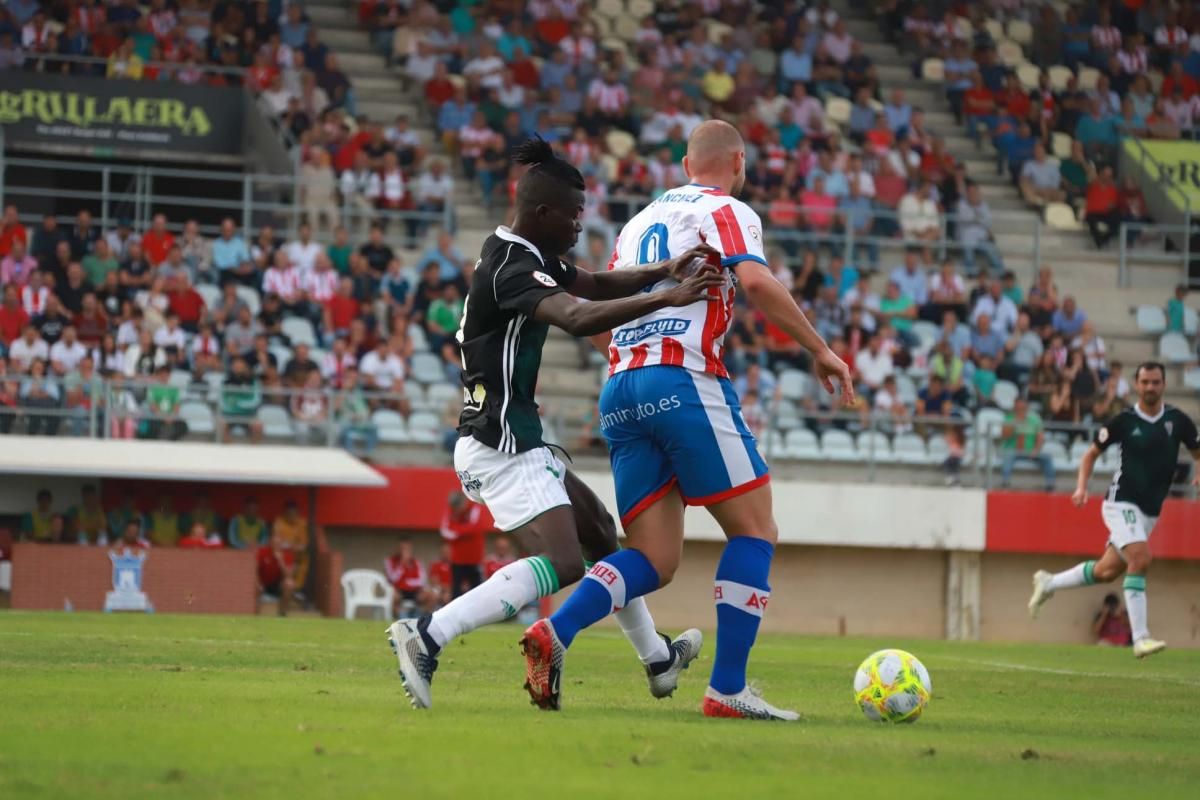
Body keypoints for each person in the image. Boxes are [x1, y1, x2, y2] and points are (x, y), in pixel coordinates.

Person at [522, 121, 855, 720]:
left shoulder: (637, 225)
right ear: (739, 160)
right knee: (755, 530)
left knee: (654, 559)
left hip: (622, 388)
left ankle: (556, 632)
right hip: (685, 379)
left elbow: (601, 312)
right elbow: (753, 280)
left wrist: (633, 365)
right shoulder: (726, 207)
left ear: (683, 162)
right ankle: (728, 689)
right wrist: (819, 348)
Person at [386, 137, 720, 711]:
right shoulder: (508, 267)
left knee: (599, 532)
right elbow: (576, 315)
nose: (579, 224)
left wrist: (664, 269)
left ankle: (658, 659)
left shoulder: (528, 254)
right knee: (567, 563)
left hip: (515, 437)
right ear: (542, 213)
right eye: (573, 214)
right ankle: (427, 633)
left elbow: (592, 284)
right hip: (500, 442)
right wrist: (670, 299)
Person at [1029, 363, 1200, 659]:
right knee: (1141, 557)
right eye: (1145, 382)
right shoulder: (1123, 421)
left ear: (1163, 384)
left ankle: (1049, 582)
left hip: (1149, 512)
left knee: (1106, 571)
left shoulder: (1178, 421)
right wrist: (1082, 488)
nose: (1150, 387)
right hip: (1120, 503)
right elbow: (1090, 454)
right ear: (1136, 385)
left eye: (1155, 382)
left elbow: (1198, 451)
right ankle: (1141, 638)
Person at [439, 491, 491, 598]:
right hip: (457, 560)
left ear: (463, 503)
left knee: (477, 590)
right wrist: (463, 532)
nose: (456, 512)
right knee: (456, 591)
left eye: (457, 509)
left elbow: (474, 527)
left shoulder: (474, 507)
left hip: (474, 559)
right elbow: (444, 531)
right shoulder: (451, 509)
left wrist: (456, 530)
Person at [998, 396, 1056, 492]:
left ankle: (1050, 484)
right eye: (1018, 407)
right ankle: (1005, 483)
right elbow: (1005, 435)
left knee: (1047, 458)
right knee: (1007, 457)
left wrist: (1036, 450)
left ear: (1027, 407)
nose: (1020, 410)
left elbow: (1040, 438)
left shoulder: (1034, 419)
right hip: (1012, 450)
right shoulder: (1009, 418)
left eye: (1022, 408)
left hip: (1030, 451)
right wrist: (1015, 422)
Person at [385, 539, 430, 617]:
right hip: (399, 590)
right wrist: (401, 565)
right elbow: (392, 579)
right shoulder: (391, 561)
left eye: (407, 549)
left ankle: (418, 617)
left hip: (415, 591)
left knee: (431, 596)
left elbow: (422, 580)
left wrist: (407, 582)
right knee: (393, 597)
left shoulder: (417, 562)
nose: (405, 552)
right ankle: (399, 618)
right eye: (402, 549)